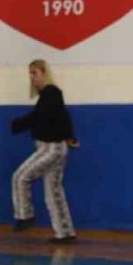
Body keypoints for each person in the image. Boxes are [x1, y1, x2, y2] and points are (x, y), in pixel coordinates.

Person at [9, 59, 79, 243]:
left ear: (44, 73)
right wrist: (70, 137)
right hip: (55, 147)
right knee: (53, 192)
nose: (32, 78)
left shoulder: (51, 92)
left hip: (51, 148)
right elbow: (63, 116)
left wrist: (17, 124)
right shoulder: (50, 94)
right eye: (30, 74)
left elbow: (39, 117)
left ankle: (25, 216)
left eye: (35, 73)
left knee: (20, 177)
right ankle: (65, 233)